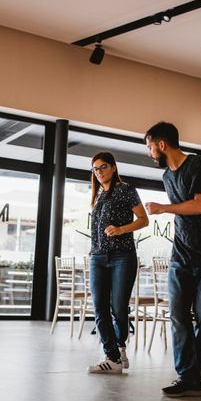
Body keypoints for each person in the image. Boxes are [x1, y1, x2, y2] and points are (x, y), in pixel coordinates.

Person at [144, 122, 201, 397]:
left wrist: (164, 208)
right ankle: (187, 374)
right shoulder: (167, 178)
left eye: (149, 147)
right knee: (178, 314)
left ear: (162, 145)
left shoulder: (198, 166)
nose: (149, 153)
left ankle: (191, 376)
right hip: (182, 253)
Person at [87, 151, 149, 373]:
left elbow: (144, 220)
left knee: (119, 308)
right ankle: (112, 356)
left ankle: (120, 347)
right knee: (99, 308)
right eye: (95, 169)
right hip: (97, 258)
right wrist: (93, 248)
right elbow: (96, 228)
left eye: (103, 167)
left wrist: (121, 229)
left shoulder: (126, 190)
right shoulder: (98, 196)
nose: (99, 172)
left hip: (123, 256)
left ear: (113, 168)